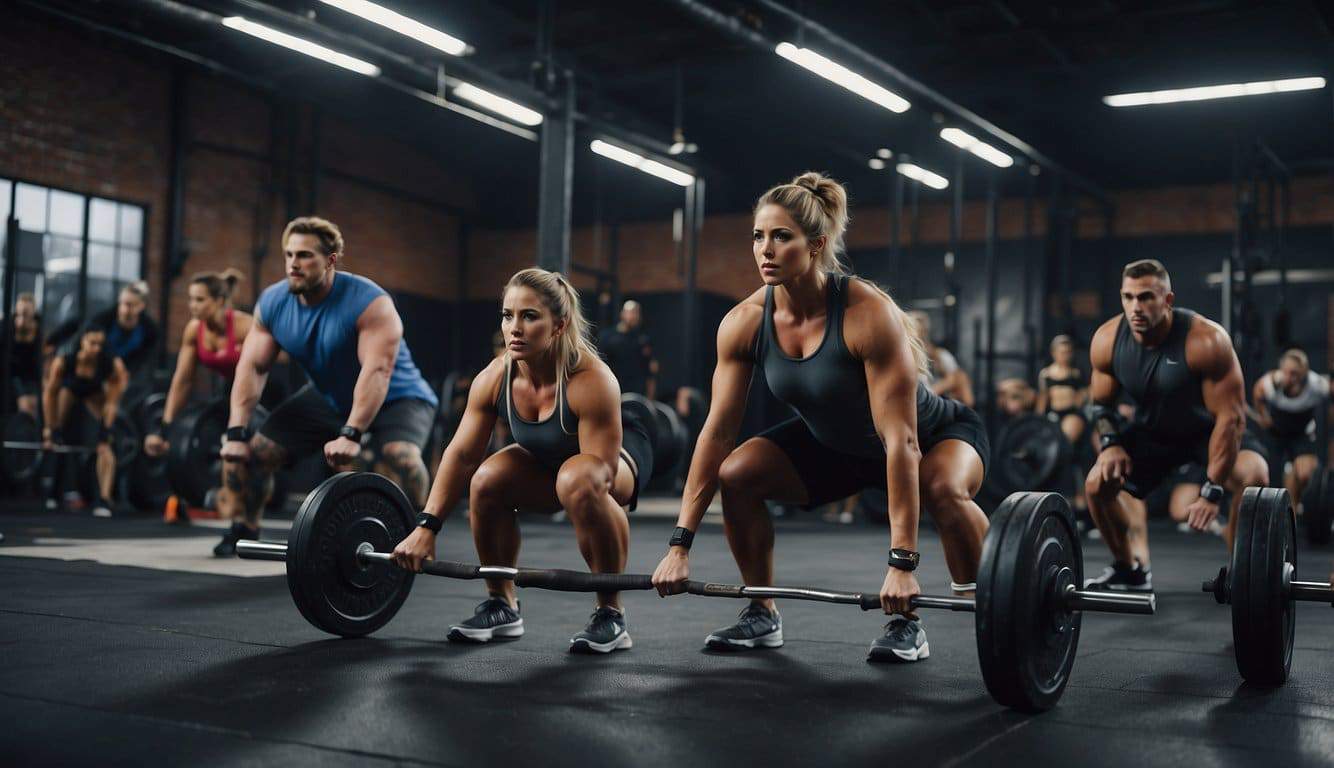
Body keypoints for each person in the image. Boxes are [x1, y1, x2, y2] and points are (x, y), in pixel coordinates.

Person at [650, 172, 991, 663]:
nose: (765, 249)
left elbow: (902, 443)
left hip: (933, 437)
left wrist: (902, 563)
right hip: (839, 447)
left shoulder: (866, 313)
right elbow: (718, 432)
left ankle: (937, 610)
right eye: (758, 236)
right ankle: (761, 613)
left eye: (781, 237)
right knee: (738, 474)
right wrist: (679, 544)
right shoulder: (744, 323)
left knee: (942, 489)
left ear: (816, 245)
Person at [391, 268, 655, 654]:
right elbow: (462, 454)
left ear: (559, 325)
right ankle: (502, 604)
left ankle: (611, 614)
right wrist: (426, 526)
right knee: (485, 480)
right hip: (553, 458)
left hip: (618, 453)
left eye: (529, 316)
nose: (514, 327)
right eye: (507, 315)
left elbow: (597, 479)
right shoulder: (496, 376)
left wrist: (576, 491)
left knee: (578, 481)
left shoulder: (591, 380)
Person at [217, 216, 438, 557]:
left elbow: (377, 370)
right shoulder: (274, 303)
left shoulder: (369, 301)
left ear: (330, 260)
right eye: (289, 255)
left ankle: (419, 537)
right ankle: (243, 529)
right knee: (255, 452)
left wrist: (352, 433)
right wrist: (235, 431)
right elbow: (253, 367)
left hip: (399, 395)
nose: (293, 264)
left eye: (305, 256)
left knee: (401, 458)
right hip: (329, 396)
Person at [1083, 259, 1269, 591]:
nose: (1135, 307)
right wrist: (1111, 443)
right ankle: (1130, 568)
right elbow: (1100, 405)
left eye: (1146, 297)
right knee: (1097, 483)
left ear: (1167, 300)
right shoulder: (1107, 340)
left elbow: (1231, 419)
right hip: (1153, 433)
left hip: (1208, 432)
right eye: (1128, 297)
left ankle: (1244, 572)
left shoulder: (1205, 341)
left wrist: (1212, 491)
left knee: (1254, 475)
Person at [145, 269, 253, 459]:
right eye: (191, 299)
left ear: (219, 301)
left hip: (259, 390)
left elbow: (260, 370)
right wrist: (165, 428)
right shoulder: (194, 330)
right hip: (228, 390)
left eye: (200, 300)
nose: (193, 306)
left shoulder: (244, 325)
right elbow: (183, 381)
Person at [41, 325, 129, 517]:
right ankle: (54, 493)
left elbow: (112, 402)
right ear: (82, 341)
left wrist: (106, 430)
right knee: (59, 438)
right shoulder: (64, 361)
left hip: (94, 394)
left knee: (105, 446)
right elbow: (50, 395)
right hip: (69, 390)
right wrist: (50, 427)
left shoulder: (110, 364)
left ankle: (104, 500)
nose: (96, 348)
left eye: (100, 344)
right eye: (92, 343)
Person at [1251, 348, 1329, 513]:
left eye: (1293, 373)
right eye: (1285, 372)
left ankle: (1294, 504)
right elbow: (1257, 393)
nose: (1288, 377)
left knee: (1306, 474)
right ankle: (1281, 513)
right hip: (1276, 433)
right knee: (1270, 477)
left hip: (1301, 433)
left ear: (1303, 374)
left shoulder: (1317, 386)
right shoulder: (1270, 384)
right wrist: (1263, 415)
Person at [49, 282, 160, 386]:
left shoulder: (150, 330)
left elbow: (144, 358)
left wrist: (127, 372)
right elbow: (82, 341)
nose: (126, 309)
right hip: (95, 369)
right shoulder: (102, 320)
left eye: (131, 305)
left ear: (141, 306)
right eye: (123, 304)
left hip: (125, 376)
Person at [908, 310, 974, 407]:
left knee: (961, 376)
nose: (915, 334)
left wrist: (934, 391)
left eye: (919, 329)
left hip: (934, 400)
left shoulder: (940, 355)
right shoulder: (906, 357)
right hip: (920, 401)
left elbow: (956, 381)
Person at [598, 299, 658, 399]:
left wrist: (650, 399)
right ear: (622, 313)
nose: (632, 316)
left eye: (636, 313)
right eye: (630, 312)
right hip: (613, 391)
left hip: (637, 394)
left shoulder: (644, 339)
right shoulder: (607, 338)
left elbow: (651, 371)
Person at [1037, 335, 1087, 445]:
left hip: (1071, 413)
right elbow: (1043, 397)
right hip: (1054, 413)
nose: (1066, 356)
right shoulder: (1046, 374)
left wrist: (1080, 401)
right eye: (1062, 352)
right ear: (1054, 353)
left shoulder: (1075, 373)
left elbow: (1083, 392)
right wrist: (1039, 418)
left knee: (1067, 438)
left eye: (1068, 352)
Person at [7, 293, 45, 418]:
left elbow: (37, 358)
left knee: (29, 408)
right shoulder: (7, 325)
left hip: (29, 376)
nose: (23, 315)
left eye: (27, 312)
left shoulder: (38, 327)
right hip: (8, 372)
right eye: (21, 311)